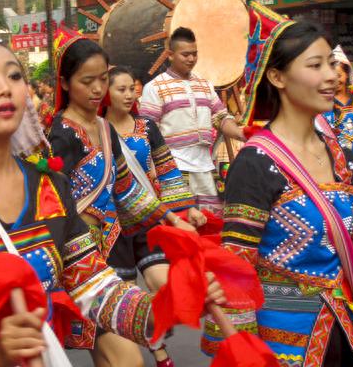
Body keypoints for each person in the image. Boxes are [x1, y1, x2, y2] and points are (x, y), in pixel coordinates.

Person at [0, 33, 226, 366]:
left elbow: (96, 286)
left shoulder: (51, 189)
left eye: (14, 75)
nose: (5, 87)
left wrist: (172, 304)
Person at [207, 2, 353, 365]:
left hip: (350, 333)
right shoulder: (254, 164)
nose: (331, 75)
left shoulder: (343, 153)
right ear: (278, 78)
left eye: (331, 63)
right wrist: (245, 353)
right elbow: (236, 271)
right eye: (315, 66)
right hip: (284, 345)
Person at [48, 28, 196, 367]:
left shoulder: (104, 129)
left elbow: (127, 188)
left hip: (113, 248)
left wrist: (174, 221)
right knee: (125, 359)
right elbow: (53, 203)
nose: (98, 89)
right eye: (88, 81)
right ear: (66, 83)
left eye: (102, 78)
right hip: (81, 259)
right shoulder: (60, 136)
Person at [103, 65, 204, 367]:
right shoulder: (97, 130)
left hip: (150, 222)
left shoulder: (147, 126)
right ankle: (160, 353)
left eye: (131, 87)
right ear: (104, 94)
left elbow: (167, 169)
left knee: (164, 284)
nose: (129, 94)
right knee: (130, 301)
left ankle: (153, 332)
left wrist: (187, 210)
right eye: (120, 89)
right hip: (114, 228)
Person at [139, 27, 246, 218]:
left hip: (205, 166)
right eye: (185, 54)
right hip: (173, 169)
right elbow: (146, 133)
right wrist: (154, 170)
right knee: (182, 227)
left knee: (210, 223)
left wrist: (242, 134)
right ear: (170, 55)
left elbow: (221, 117)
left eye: (194, 54)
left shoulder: (205, 85)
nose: (191, 59)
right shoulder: (154, 88)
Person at [323, 46, 353, 152]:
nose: (335, 80)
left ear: (347, 75)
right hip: (335, 155)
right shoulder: (324, 100)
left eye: (339, 75)